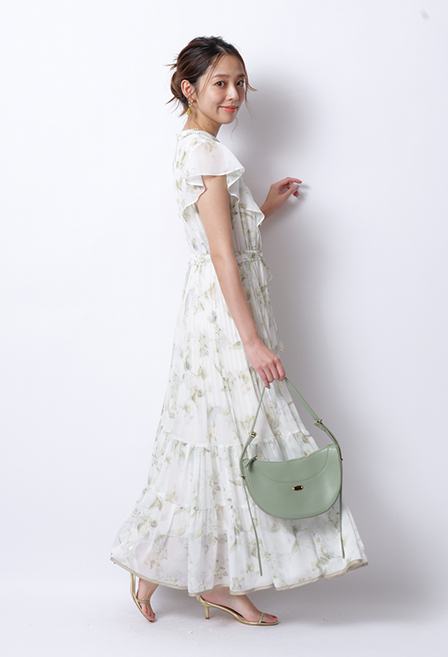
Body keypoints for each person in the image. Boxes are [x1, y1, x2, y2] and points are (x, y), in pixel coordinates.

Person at [110, 35, 368, 626]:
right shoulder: (205, 153)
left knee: (220, 436)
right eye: (220, 83)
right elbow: (222, 255)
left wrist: (264, 207)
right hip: (226, 318)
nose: (233, 94)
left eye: (239, 83)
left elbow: (223, 239)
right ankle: (209, 578)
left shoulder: (199, 149)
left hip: (218, 309)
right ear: (189, 89)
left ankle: (177, 570)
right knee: (237, 435)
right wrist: (251, 340)